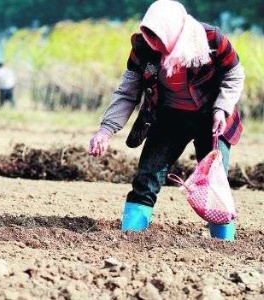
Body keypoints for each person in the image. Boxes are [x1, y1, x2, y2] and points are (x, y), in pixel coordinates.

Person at [88, 0, 244, 241]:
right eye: (151, 36)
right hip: (169, 117)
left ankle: (224, 243)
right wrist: (105, 131)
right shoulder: (142, 49)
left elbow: (234, 74)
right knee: (147, 175)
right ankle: (131, 235)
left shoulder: (211, 39)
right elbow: (128, 91)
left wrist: (222, 109)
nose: (156, 43)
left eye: (160, 37)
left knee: (216, 182)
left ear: (175, 30)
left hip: (212, 117)